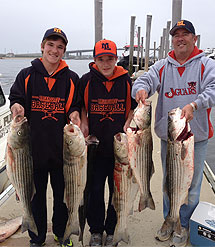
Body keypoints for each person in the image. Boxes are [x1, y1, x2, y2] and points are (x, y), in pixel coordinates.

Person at [132, 20, 215, 247]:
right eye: (176, 35)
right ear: (172, 40)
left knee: (191, 186)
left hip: (196, 138)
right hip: (170, 137)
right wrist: (141, 89)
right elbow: (145, 78)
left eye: (186, 34)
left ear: (195, 39)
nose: (180, 38)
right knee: (170, 182)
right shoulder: (163, 66)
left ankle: (183, 223)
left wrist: (195, 105)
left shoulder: (205, 64)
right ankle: (170, 218)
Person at [9, 27, 80, 247]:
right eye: (50, 45)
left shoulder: (71, 78)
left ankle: (61, 233)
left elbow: (74, 106)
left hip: (62, 154)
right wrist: (17, 106)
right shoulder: (26, 75)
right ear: (42, 46)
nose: (54, 50)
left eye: (60, 47)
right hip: (32, 153)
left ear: (64, 51)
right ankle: (37, 237)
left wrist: (75, 113)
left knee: (62, 199)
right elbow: (15, 97)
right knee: (35, 198)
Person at [76, 39, 137, 247]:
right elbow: (80, 106)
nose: (105, 63)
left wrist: (128, 126)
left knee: (116, 192)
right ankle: (95, 231)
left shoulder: (126, 81)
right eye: (101, 59)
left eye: (109, 58)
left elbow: (133, 108)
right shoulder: (86, 81)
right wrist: (83, 121)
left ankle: (111, 230)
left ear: (116, 59)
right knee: (94, 191)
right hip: (94, 148)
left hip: (119, 149)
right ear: (95, 60)